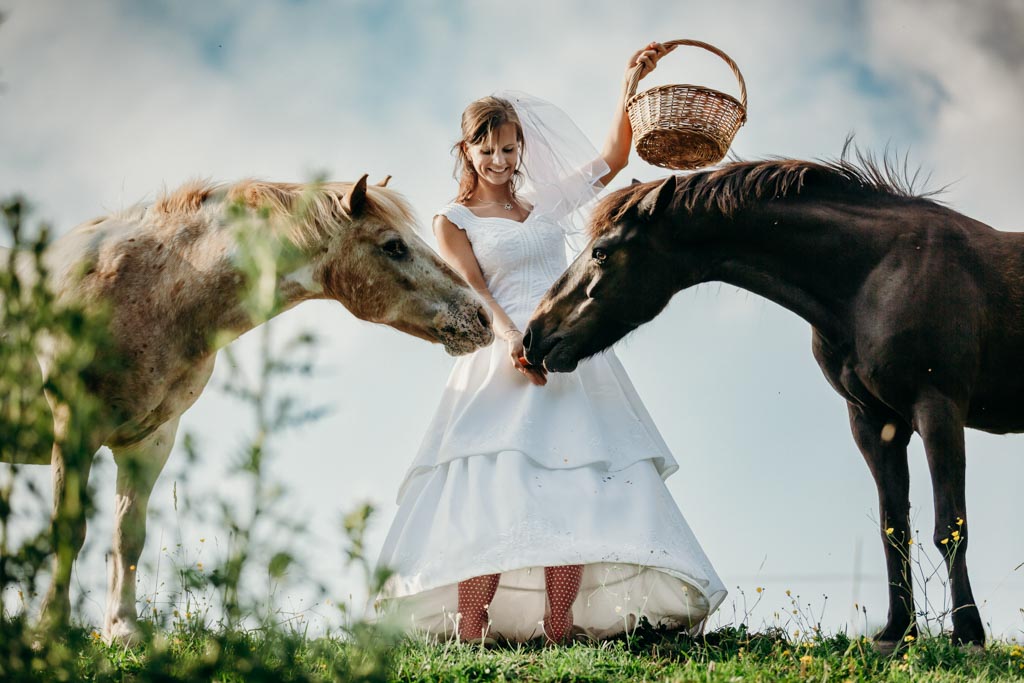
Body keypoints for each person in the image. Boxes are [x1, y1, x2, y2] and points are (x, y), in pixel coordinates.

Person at [376, 42, 726, 644]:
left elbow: (614, 158)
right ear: (466, 150)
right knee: (491, 488)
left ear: (521, 147)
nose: (498, 160)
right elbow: (474, 289)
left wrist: (630, 82)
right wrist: (514, 340)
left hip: (568, 349)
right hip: (503, 351)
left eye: (508, 149)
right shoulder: (452, 219)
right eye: (485, 150)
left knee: (575, 485)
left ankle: (559, 622)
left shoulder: (542, 203)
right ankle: (471, 625)